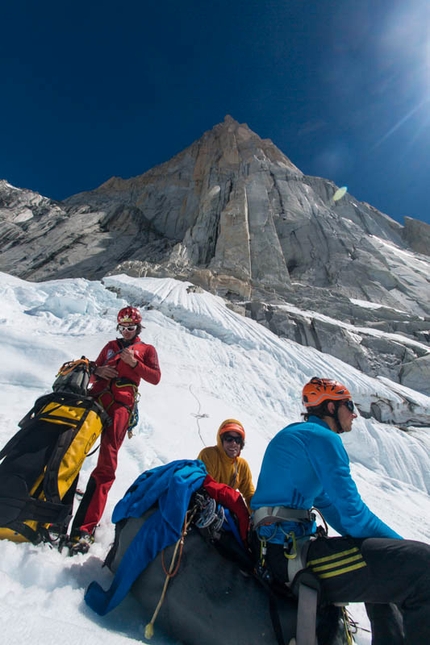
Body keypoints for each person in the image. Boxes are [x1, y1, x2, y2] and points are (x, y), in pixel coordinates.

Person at [250, 376, 430, 644]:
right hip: (288, 555)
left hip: (277, 552)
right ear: (331, 408)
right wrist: (402, 546)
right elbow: (353, 516)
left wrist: (394, 551)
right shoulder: (322, 439)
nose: (355, 414)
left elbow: (335, 511)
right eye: (349, 404)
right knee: (423, 566)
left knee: (388, 565)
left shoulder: (299, 436)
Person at [68, 306, 161, 554]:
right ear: (118, 328)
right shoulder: (110, 346)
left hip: (121, 404)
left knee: (107, 464)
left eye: (131, 328)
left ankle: (84, 528)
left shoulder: (146, 349)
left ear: (138, 328)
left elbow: (155, 377)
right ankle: (58, 510)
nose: (127, 331)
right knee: (71, 451)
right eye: (123, 327)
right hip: (96, 398)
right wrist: (98, 370)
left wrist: (134, 363)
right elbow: (92, 370)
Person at [197, 419, 255, 510]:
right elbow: (205, 486)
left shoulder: (242, 465)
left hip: (223, 512)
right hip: (204, 509)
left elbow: (249, 494)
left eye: (238, 440)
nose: (233, 443)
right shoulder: (209, 455)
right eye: (229, 439)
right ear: (221, 440)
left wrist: (257, 515)